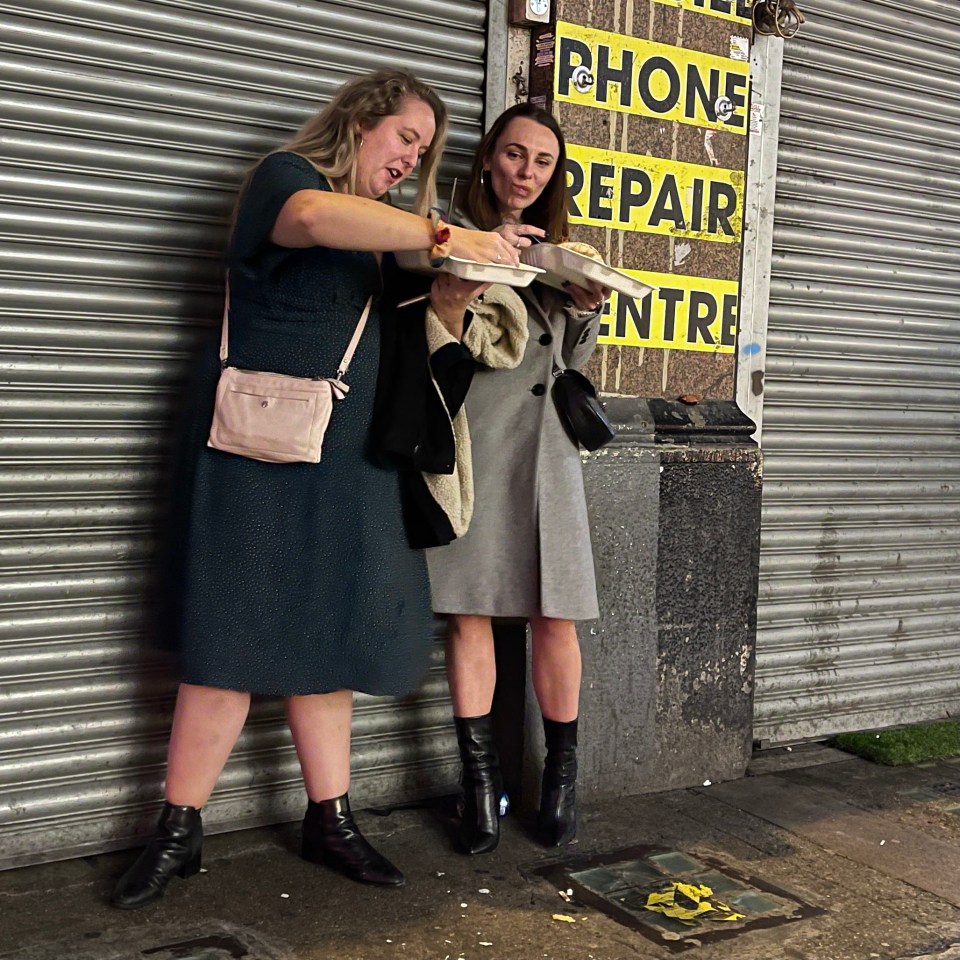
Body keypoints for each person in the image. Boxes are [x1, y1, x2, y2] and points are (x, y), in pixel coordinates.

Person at [110, 70, 518, 910]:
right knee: (227, 637)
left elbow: (421, 343)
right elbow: (310, 220)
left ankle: (329, 820)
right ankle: (178, 830)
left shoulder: (388, 240)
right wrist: (442, 234)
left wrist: (460, 285)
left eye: (425, 150)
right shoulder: (288, 181)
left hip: (347, 461)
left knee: (327, 638)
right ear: (362, 120)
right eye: (405, 138)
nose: (413, 157)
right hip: (256, 450)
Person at [425, 103, 609, 854]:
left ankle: (561, 779)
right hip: (476, 441)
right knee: (469, 613)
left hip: (550, 453)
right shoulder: (446, 232)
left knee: (556, 617)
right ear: (488, 158)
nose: (525, 173)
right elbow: (433, 329)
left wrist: (587, 309)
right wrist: (486, 260)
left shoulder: (564, 250)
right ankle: (479, 788)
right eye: (513, 155)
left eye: (541, 162)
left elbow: (574, 365)